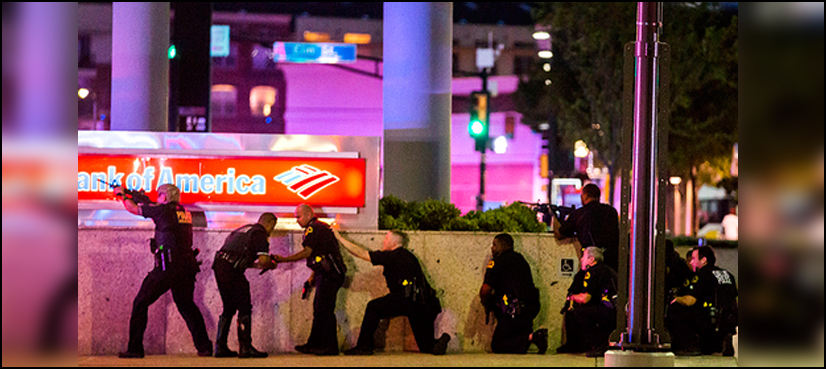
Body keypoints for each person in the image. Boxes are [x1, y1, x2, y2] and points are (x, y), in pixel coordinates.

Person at [113, 183, 212, 358]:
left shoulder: (163, 210)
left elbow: (133, 209)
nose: (157, 198)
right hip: (186, 266)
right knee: (187, 305)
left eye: (159, 195)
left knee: (140, 303)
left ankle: (135, 348)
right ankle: (204, 346)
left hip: (168, 266)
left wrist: (121, 195)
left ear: (165, 197)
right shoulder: (184, 212)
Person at [333, 229, 450, 356]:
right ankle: (441, 340)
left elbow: (362, 253)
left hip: (404, 298)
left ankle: (364, 346)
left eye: (387, 239)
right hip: (423, 303)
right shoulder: (410, 256)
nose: (384, 241)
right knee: (427, 346)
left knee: (373, 307)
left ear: (394, 242)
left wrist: (339, 238)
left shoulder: (392, 256)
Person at [271, 204, 346, 356]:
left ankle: (330, 347)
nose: (296, 220)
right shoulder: (318, 227)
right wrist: (312, 276)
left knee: (324, 309)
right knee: (319, 308)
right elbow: (318, 254)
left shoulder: (314, 228)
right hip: (325, 273)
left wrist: (284, 260)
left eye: (298, 216)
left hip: (330, 274)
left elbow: (308, 252)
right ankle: (314, 344)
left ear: (308, 214)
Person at [212, 213, 279, 358]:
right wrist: (271, 264)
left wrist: (259, 265)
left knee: (229, 307)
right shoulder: (260, 233)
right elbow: (263, 259)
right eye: (272, 227)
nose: (271, 231)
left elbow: (242, 259)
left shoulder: (243, 230)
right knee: (244, 306)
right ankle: (245, 347)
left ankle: (220, 347)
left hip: (220, 265)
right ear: (269, 223)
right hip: (232, 269)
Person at [479, 233, 548, 354]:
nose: (492, 248)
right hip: (530, 309)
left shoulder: (497, 262)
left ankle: (532, 337)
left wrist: (486, 302)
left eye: (494, 245)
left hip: (514, 311)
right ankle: (529, 336)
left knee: (498, 345)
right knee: (517, 342)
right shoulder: (521, 259)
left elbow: (485, 290)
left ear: (502, 246)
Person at [668, 246, 738, 356]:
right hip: (729, 321)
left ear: (703, 260)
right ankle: (721, 340)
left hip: (711, 320)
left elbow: (689, 301)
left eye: (694, 259)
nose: (691, 263)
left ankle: (690, 346)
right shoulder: (728, 274)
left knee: (676, 309)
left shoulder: (703, 275)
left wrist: (676, 298)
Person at [557, 246, 618, 357]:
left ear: (591, 260)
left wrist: (572, 298)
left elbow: (585, 298)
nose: (581, 260)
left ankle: (599, 345)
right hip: (616, 309)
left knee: (580, 313)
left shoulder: (593, 271)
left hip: (609, 311)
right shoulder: (606, 269)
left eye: (584, 257)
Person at [553, 183, 620, 272]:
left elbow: (560, 234)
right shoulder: (611, 212)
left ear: (586, 196)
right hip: (611, 261)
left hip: (591, 261)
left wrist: (554, 218)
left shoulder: (578, 214)